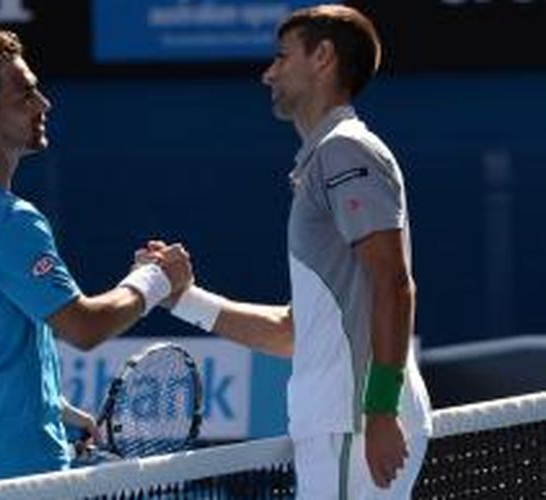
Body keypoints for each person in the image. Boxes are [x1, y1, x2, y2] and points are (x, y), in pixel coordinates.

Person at [141, 5, 432, 499]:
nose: (267, 73)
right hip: (343, 420)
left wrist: (379, 411)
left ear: (322, 57)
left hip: (353, 420)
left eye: (281, 57)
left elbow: (394, 284)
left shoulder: (345, 151)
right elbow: (293, 333)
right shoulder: (327, 158)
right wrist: (184, 298)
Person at [0, 26, 192, 490]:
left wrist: (55, 410)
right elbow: (83, 327)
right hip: (17, 480)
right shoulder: (9, 221)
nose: (44, 105)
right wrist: (154, 281)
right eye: (24, 96)